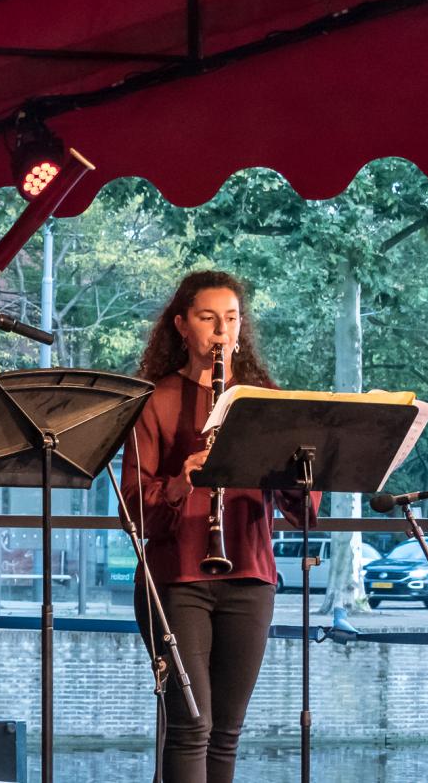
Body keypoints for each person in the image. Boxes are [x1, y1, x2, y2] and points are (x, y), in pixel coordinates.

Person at [121, 270, 321, 783]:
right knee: (190, 725)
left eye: (231, 319)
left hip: (250, 575)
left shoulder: (264, 400)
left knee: (226, 731)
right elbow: (134, 509)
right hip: (176, 578)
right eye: (208, 318)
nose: (221, 331)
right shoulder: (154, 399)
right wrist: (183, 480)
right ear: (181, 325)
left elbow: (304, 508)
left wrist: (298, 474)